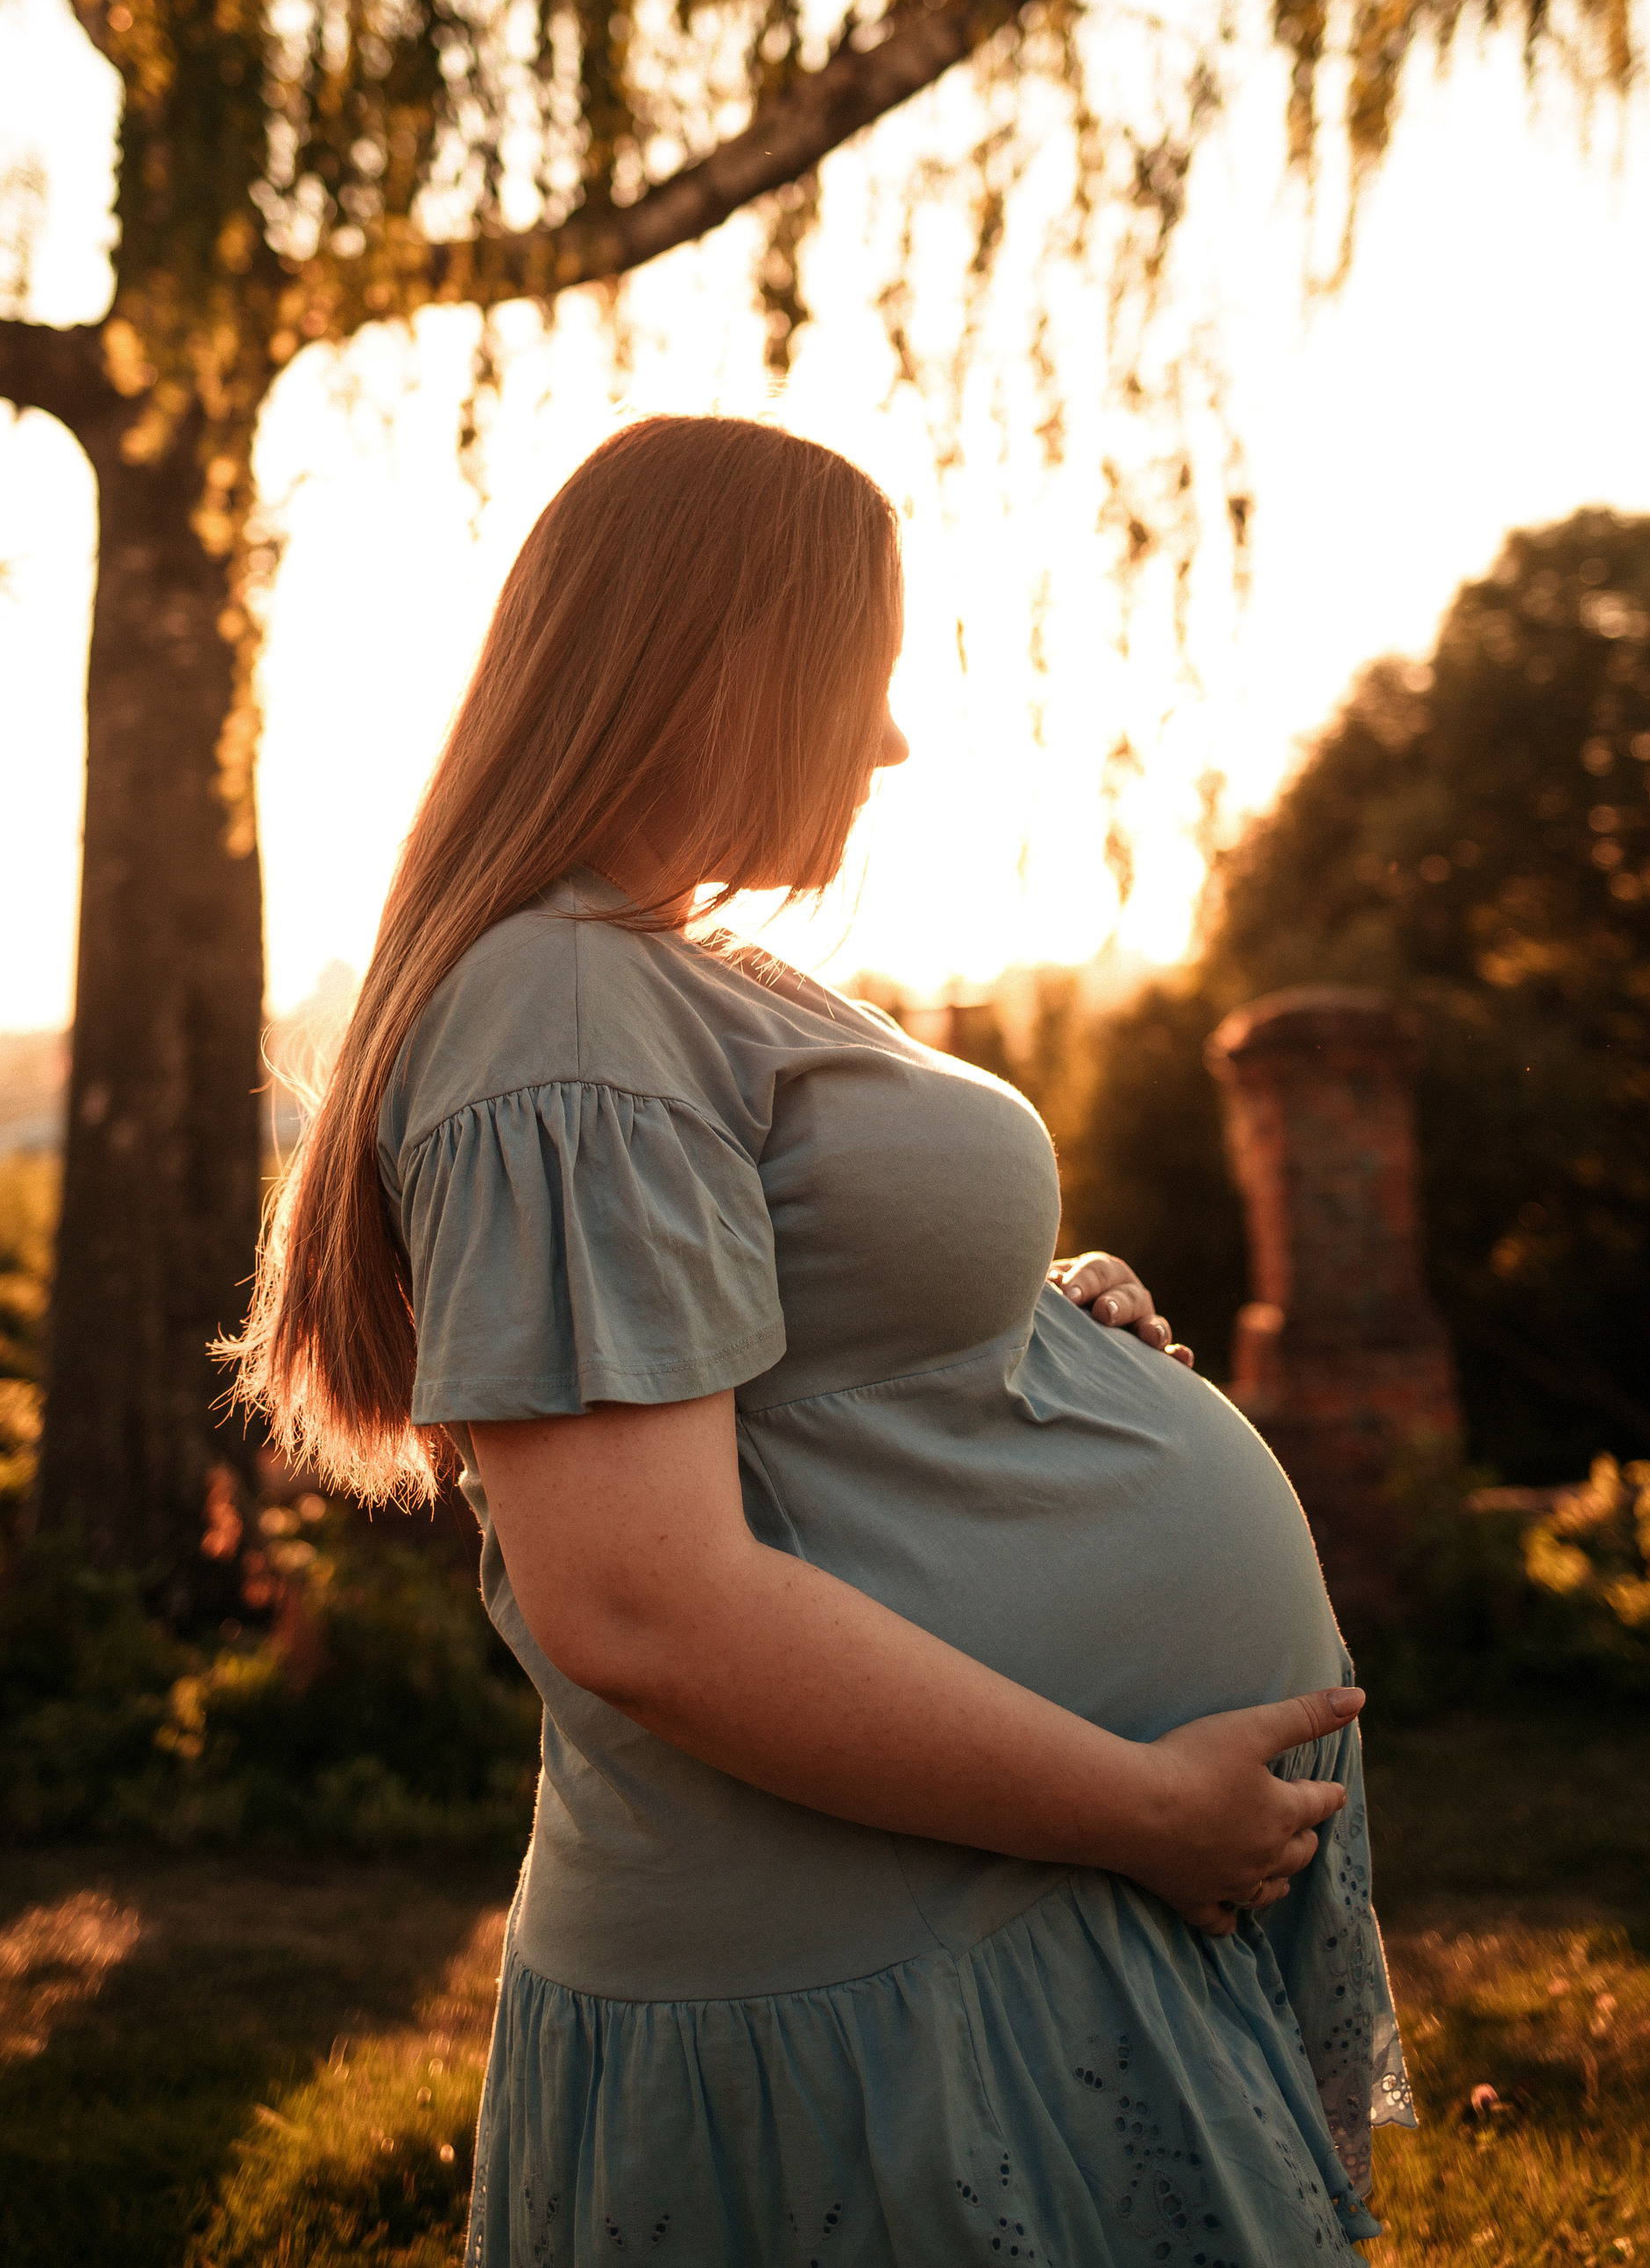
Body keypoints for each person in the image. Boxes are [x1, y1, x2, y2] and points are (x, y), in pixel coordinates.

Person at [236, 413, 1413, 2265]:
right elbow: (644, 1607)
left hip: (957, 1934)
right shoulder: (561, 1004)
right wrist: (1142, 1812)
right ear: (722, 663)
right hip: (881, 1983)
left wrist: (1010, 1325)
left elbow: (776, 1343)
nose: (889, 739)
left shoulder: (649, 973)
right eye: (863, 674)